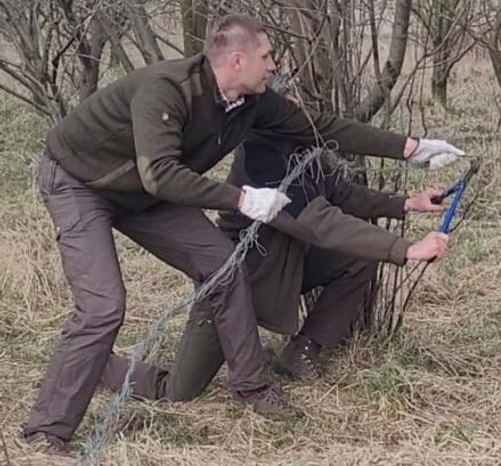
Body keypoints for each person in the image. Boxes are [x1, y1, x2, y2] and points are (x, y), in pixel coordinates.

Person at [22, 12, 464, 454]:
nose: (273, 65)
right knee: (103, 305)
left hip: (145, 195)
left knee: (223, 265)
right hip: (80, 184)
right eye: (266, 56)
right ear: (237, 60)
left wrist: (413, 148)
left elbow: (322, 130)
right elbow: (158, 173)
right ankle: (47, 430)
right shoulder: (166, 91)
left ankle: (253, 389)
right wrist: (242, 199)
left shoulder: (250, 104)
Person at [98, 128, 451, 401]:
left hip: (287, 269)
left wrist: (408, 203)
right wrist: (405, 249)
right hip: (235, 287)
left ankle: (302, 352)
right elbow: (320, 221)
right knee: (179, 390)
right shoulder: (260, 158)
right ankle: (100, 366)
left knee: (358, 259)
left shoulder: (303, 149)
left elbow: (341, 194)